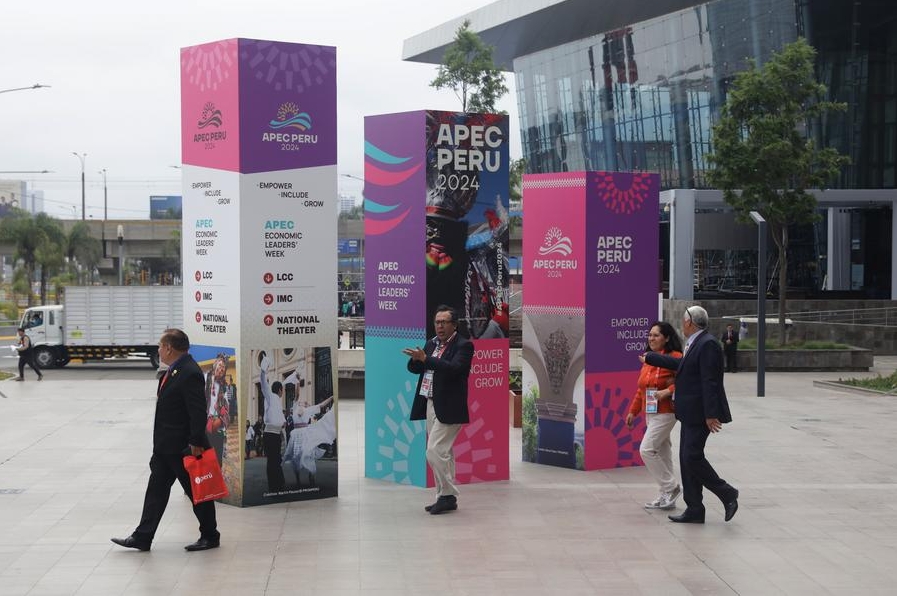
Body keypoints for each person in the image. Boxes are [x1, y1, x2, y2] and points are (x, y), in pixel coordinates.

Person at [111, 328, 220, 551]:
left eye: (160, 346)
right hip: (165, 448)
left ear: (169, 348)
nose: (158, 350)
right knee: (156, 492)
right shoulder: (175, 370)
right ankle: (143, 536)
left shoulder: (189, 372)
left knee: (198, 494)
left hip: (183, 448)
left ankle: (210, 535)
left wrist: (196, 443)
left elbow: (198, 412)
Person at [645, 305, 739, 524]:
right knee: (686, 460)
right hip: (688, 412)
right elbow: (684, 365)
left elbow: (710, 380)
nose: (681, 324)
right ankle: (694, 508)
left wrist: (711, 414)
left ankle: (727, 493)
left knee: (691, 457)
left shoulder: (708, 344)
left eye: (683, 320)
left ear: (690, 323)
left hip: (700, 413)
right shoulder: (695, 342)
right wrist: (652, 358)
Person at [403, 304, 474, 515]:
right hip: (430, 402)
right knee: (445, 453)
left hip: (450, 406)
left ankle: (448, 494)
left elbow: (455, 369)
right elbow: (416, 368)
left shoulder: (464, 346)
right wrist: (416, 360)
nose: (439, 326)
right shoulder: (431, 343)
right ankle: (443, 498)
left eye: (444, 322)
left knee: (434, 451)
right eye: (437, 322)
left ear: (454, 325)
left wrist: (427, 359)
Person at [627, 321, 682, 510]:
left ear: (667, 338)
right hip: (650, 412)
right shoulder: (648, 359)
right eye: (650, 335)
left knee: (646, 450)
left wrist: (667, 391)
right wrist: (633, 412)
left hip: (667, 412)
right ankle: (666, 495)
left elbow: (687, 381)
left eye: (656, 335)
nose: (651, 338)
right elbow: (641, 389)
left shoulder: (675, 357)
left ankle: (671, 487)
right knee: (663, 452)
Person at [284, 396, 336, 487]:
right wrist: (297, 385)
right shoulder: (295, 408)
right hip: (296, 436)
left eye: (303, 402)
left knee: (308, 453)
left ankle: (311, 476)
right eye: (300, 402)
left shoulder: (308, 410)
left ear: (305, 405)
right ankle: (298, 480)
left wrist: (331, 398)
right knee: (296, 457)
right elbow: (296, 396)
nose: (301, 403)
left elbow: (321, 405)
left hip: (306, 434)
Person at [258, 352, 286, 493]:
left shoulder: (277, 401)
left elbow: (280, 418)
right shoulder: (270, 396)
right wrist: (263, 370)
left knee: (276, 460)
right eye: (283, 389)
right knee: (273, 461)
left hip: (276, 434)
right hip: (270, 434)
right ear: (280, 390)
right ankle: (274, 486)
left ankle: (279, 484)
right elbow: (263, 383)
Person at [204, 354, 229, 465]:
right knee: (206, 456)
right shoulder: (205, 378)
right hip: (204, 424)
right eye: (220, 365)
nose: (221, 368)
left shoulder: (223, 386)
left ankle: (216, 480)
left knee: (218, 459)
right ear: (215, 365)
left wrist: (220, 419)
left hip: (217, 424)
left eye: (224, 367)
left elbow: (226, 406)